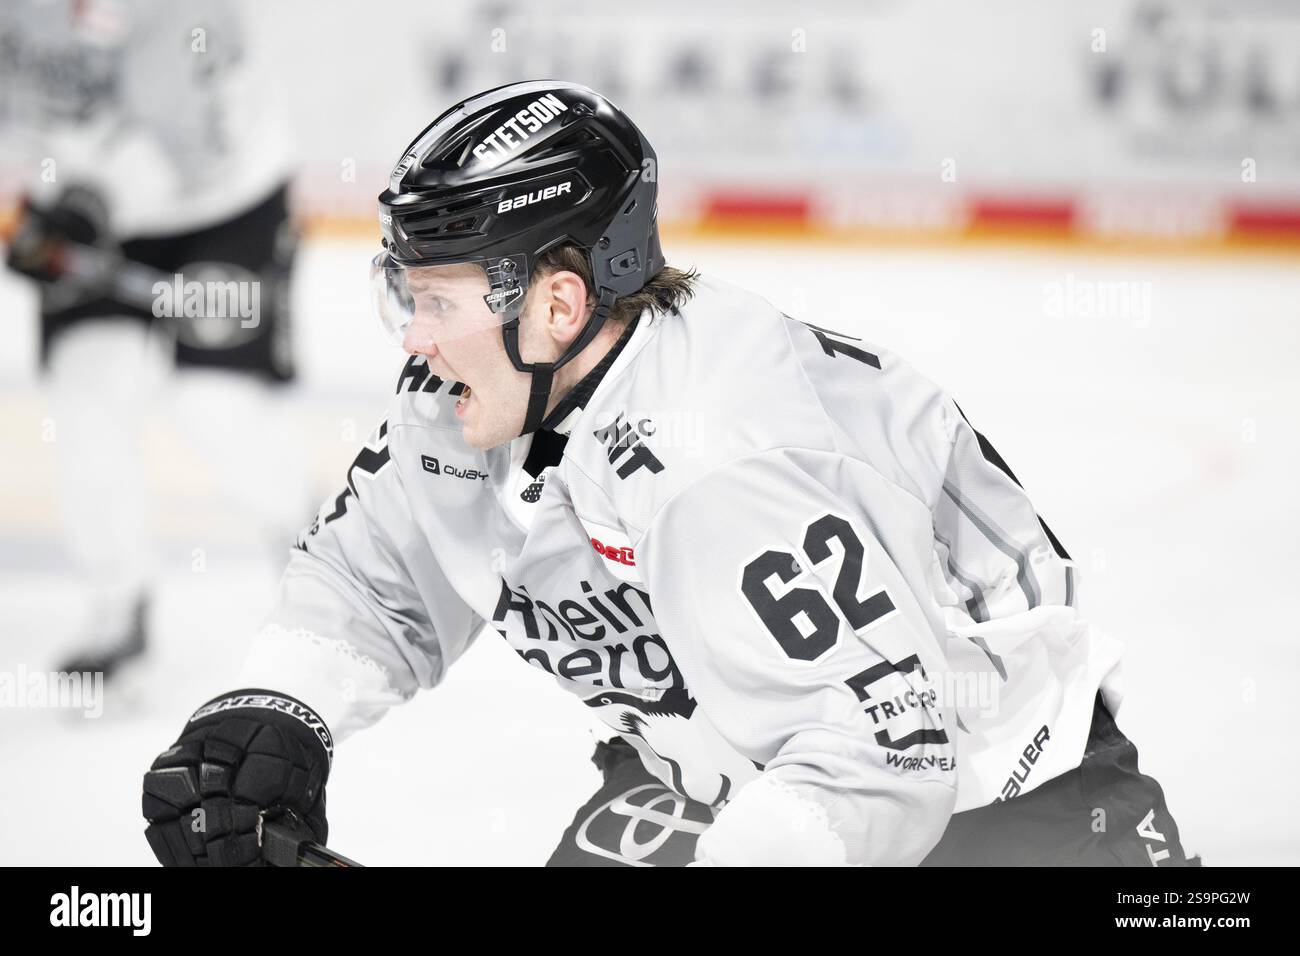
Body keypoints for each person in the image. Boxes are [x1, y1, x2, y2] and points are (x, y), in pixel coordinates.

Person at [141, 80, 1194, 867]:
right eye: (403, 293)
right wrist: (276, 708)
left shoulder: (719, 456)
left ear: (555, 305)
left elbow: (883, 756)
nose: (413, 337)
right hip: (734, 764)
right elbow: (384, 571)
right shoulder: (484, 385)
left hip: (993, 797)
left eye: (436, 299)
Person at [0, 0, 303, 678]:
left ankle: (318, 550)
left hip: (223, 205)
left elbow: (192, 140)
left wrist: (87, 204)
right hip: (87, 201)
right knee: (86, 396)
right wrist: (58, 203)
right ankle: (118, 607)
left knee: (214, 403)